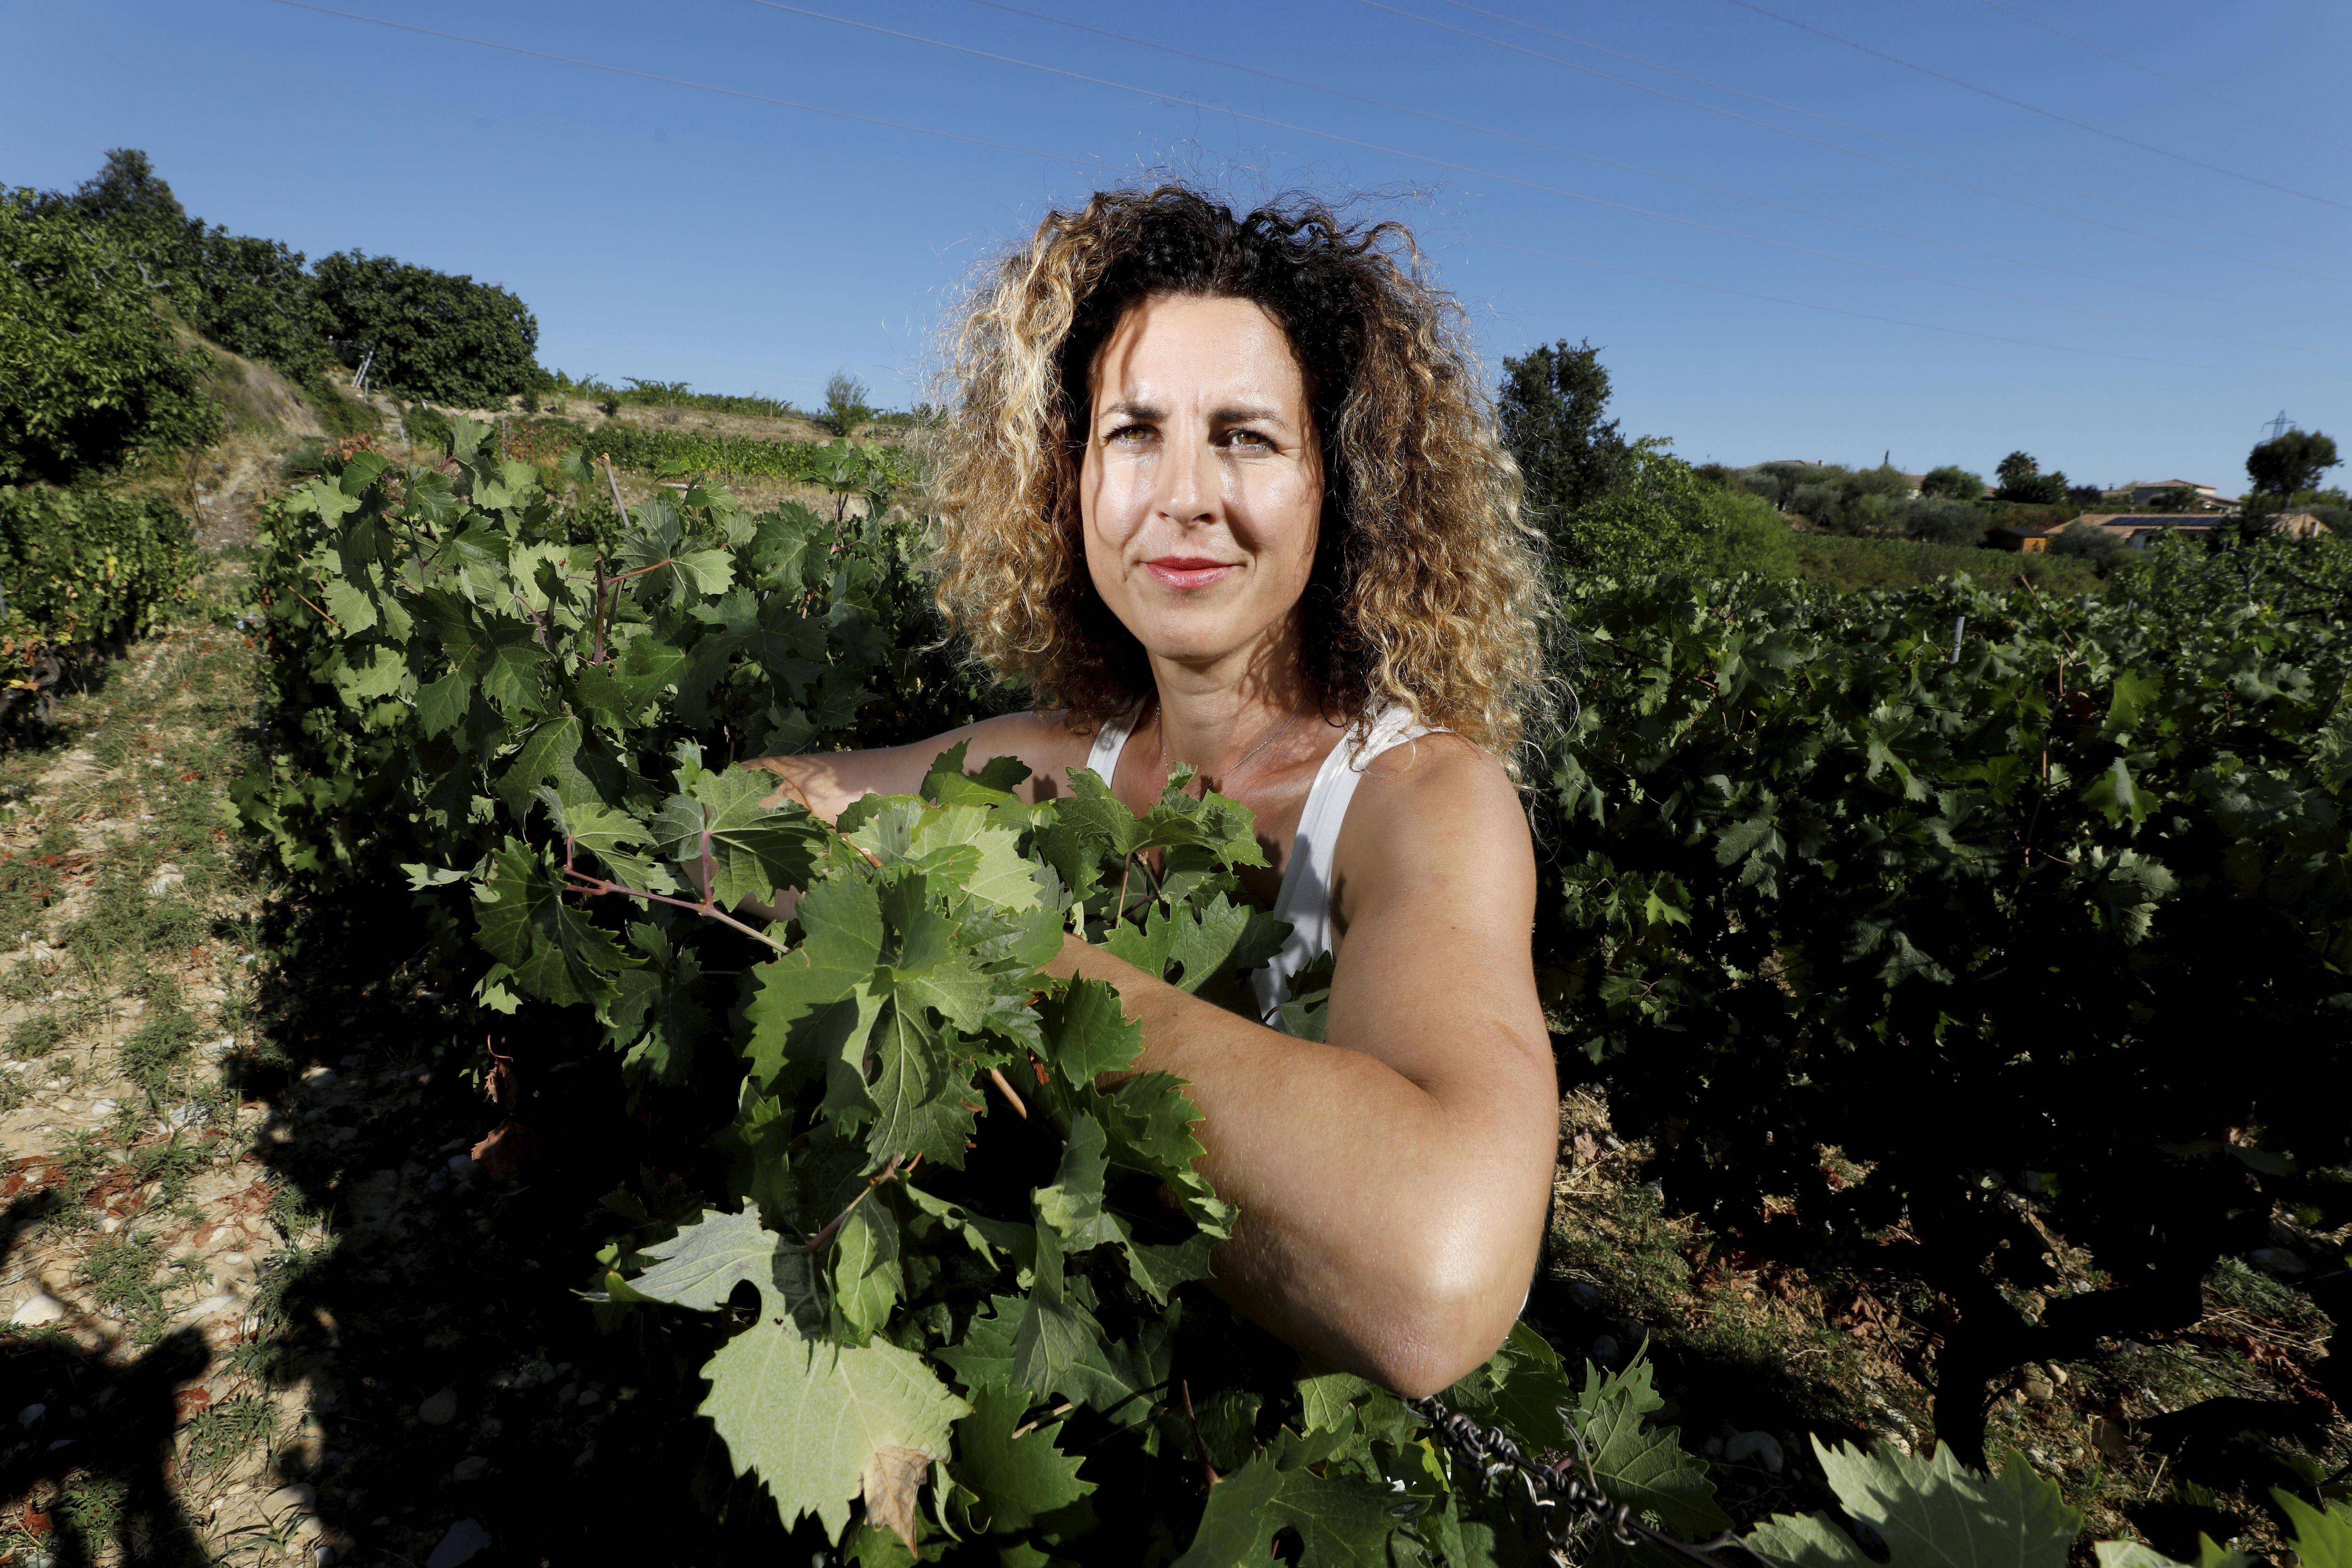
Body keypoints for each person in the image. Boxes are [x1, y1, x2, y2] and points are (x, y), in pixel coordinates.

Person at [745, 186, 1556, 1398]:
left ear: (1341, 490)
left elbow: (1433, 1282)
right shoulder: (1057, 760)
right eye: (1132, 431)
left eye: (1245, 435)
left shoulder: (1422, 803)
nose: (1182, 494)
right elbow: (752, 810)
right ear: (1067, 482)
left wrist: (983, 948)